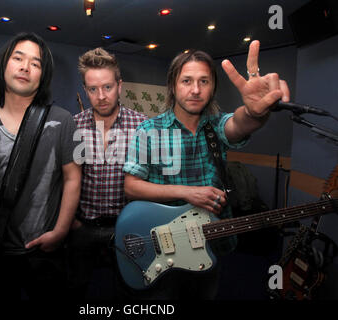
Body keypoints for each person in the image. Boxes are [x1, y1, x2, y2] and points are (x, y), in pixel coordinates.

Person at [123, 40, 290, 299]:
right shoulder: (148, 130)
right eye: (186, 81)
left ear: (212, 88)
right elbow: (131, 186)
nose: (195, 90)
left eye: (204, 81)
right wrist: (189, 193)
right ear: (172, 85)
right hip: (163, 243)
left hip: (207, 244)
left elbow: (239, 124)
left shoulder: (216, 126)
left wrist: (255, 113)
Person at [0, 32, 81, 300]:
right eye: (18, 58)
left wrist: (60, 232)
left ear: (42, 75)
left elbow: (72, 179)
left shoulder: (64, 121)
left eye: (35, 63)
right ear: (4, 66)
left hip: (46, 252)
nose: (25, 67)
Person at [66, 47, 148, 300]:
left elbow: (148, 181)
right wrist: (71, 221)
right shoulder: (73, 125)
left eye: (108, 87)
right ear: (85, 90)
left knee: (130, 289)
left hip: (126, 227)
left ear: (120, 85)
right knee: (75, 288)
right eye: (93, 89)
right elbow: (64, 179)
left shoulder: (142, 125)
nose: (101, 96)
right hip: (82, 228)